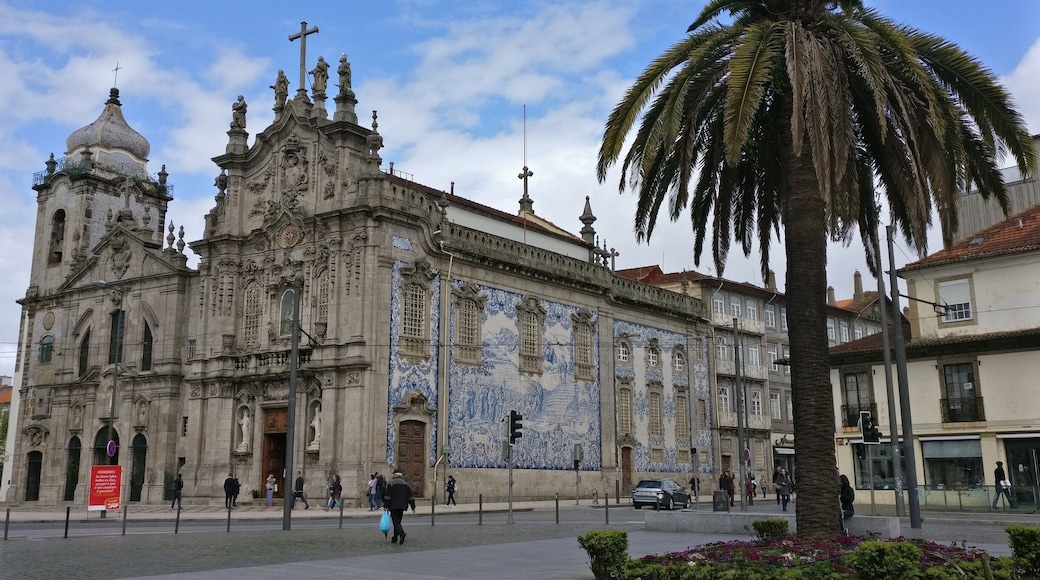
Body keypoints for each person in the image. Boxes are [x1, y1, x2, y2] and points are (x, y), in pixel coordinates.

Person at [383, 469, 416, 544]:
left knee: (395, 522)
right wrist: (413, 506)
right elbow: (410, 496)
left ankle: (402, 534)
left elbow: (388, 496)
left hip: (393, 505)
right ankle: (394, 538)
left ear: (395, 475)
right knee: (398, 522)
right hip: (402, 505)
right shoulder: (406, 484)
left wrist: (386, 506)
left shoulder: (391, 483)